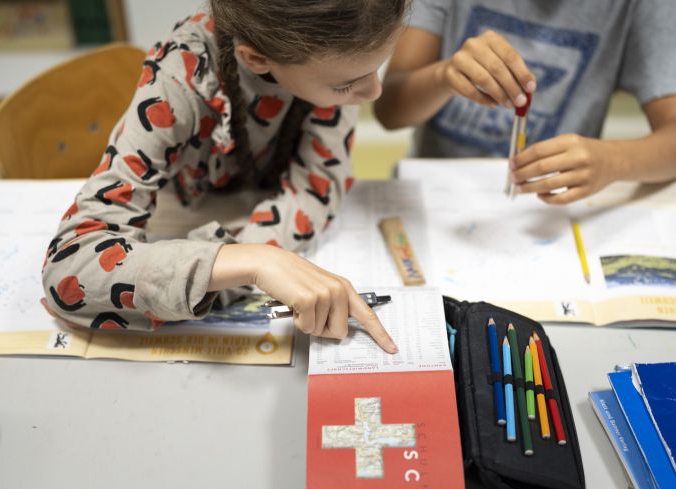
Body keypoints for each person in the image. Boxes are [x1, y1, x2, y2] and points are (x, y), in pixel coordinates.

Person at [42, 1, 411, 354]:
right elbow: (70, 269)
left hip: (232, 216)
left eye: (377, 69)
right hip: (185, 212)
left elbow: (314, 191)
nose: (374, 93)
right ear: (256, 59)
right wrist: (255, 263)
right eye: (346, 86)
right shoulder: (179, 78)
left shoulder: (337, 50)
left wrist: (234, 269)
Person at [373, 0, 676, 204]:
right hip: (436, 194)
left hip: (551, 207)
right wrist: (444, 76)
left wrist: (613, 161)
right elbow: (390, 111)